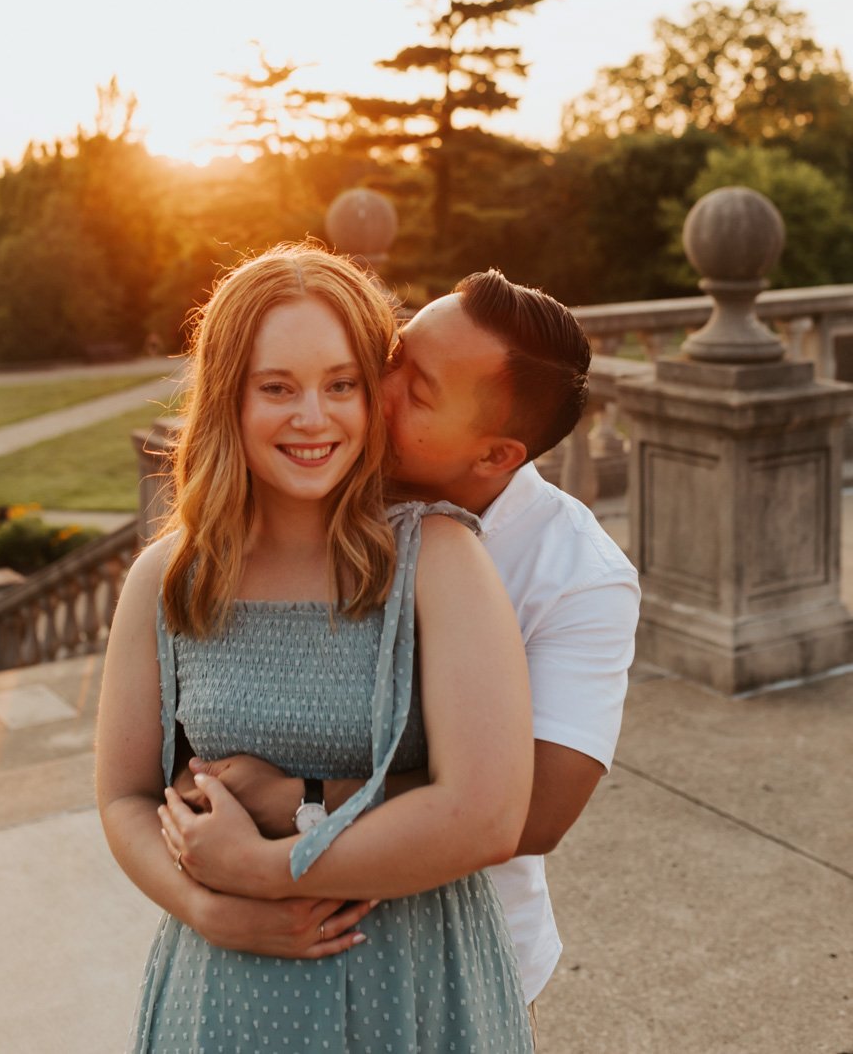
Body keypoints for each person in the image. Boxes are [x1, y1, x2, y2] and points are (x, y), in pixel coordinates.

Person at [96, 244, 536, 1053]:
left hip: (413, 976)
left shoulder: (439, 560)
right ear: (230, 397)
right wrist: (206, 907)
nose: (313, 417)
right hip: (224, 988)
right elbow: (124, 798)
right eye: (277, 388)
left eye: (342, 385)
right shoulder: (167, 579)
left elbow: (488, 814)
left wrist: (274, 867)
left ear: (374, 398)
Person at [167, 268, 641, 1019]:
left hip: (455, 952)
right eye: (392, 352)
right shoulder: (317, 486)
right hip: (258, 958)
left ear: (495, 456)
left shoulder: (578, 577)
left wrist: (301, 805)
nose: (372, 385)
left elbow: (531, 812)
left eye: (416, 391)